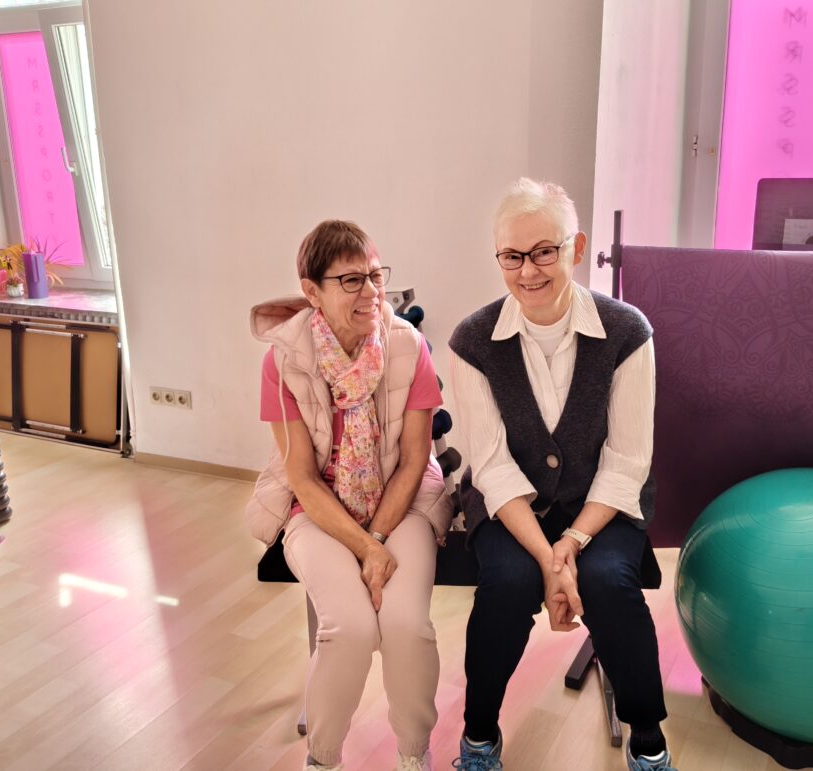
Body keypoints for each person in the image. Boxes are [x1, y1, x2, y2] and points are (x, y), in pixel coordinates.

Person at [449, 179, 677, 771]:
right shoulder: (473, 341)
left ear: (575, 248)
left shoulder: (627, 332)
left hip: (601, 505)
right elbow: (491, 465)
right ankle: (479, 737)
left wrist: (572, 542)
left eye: (544, 251)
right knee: (505, 584)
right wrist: (548, 558)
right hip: (510, 509)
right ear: (499, 258)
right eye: (512, 256)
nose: (528, 271)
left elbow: (627, 460)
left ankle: (648, 741)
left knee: (610, 583)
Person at [246, 220, 453, 771]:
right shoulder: (283, 360)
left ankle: (414, 756)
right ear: (312, 291)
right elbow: (302, 476)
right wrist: (365, 548)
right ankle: (322, 760)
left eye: (375, 276)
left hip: (402, 500)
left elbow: (415, 459)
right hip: (317, 507)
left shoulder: (408, 347)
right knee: (349, 629)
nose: (370, 292)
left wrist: (377, 537)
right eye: (350, 280)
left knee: (407, 626)